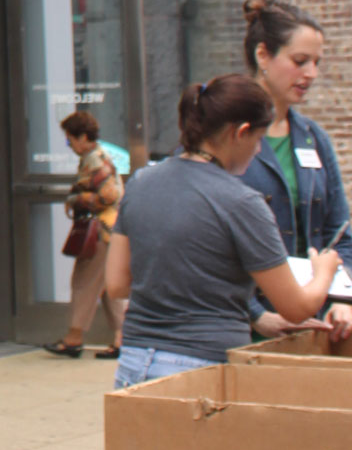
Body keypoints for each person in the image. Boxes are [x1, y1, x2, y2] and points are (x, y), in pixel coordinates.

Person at [106, 74, 342, 388]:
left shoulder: (139, 183)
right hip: (202, 368)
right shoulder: (241, 202)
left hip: (134, 363)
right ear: (239, 132)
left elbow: (117, 285)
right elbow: (297, 308)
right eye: (258, 140)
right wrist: (324, 271)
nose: (258, 151)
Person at [236, 0, 352, 341]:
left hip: (314, 324)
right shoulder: (223, 136)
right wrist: (256, 315)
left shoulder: (313, 138)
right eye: (300, 61)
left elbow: (341, 233)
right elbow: (202, 247)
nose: (311, 74)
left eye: (316, 62)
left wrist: (342, 298)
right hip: (243, 330)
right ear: (263, 55)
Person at [43, 111, 126, 359]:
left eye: (70, 140)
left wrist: (76, 199)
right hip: (111, 230)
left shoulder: (94, 160)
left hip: (100, 231)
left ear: (83, 137)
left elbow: (109, 196)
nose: (70, 146)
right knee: (109, 288)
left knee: (83, 283)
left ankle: (74, 338)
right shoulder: (99, 157)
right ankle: (123, 340)